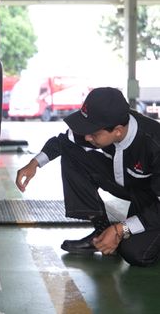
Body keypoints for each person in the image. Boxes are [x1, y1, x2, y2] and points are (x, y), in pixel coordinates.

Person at [15, 87, 160, 267]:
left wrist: (120, 229)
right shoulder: (100, 127)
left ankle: (117, 235)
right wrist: (34, 164)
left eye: (93, 133)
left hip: (154, 200)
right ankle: (101, 233)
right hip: (132, 187)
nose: (87, 137)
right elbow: (63, 142)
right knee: (72, 154)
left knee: (134, 253)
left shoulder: (154, 143)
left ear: (118, 131)